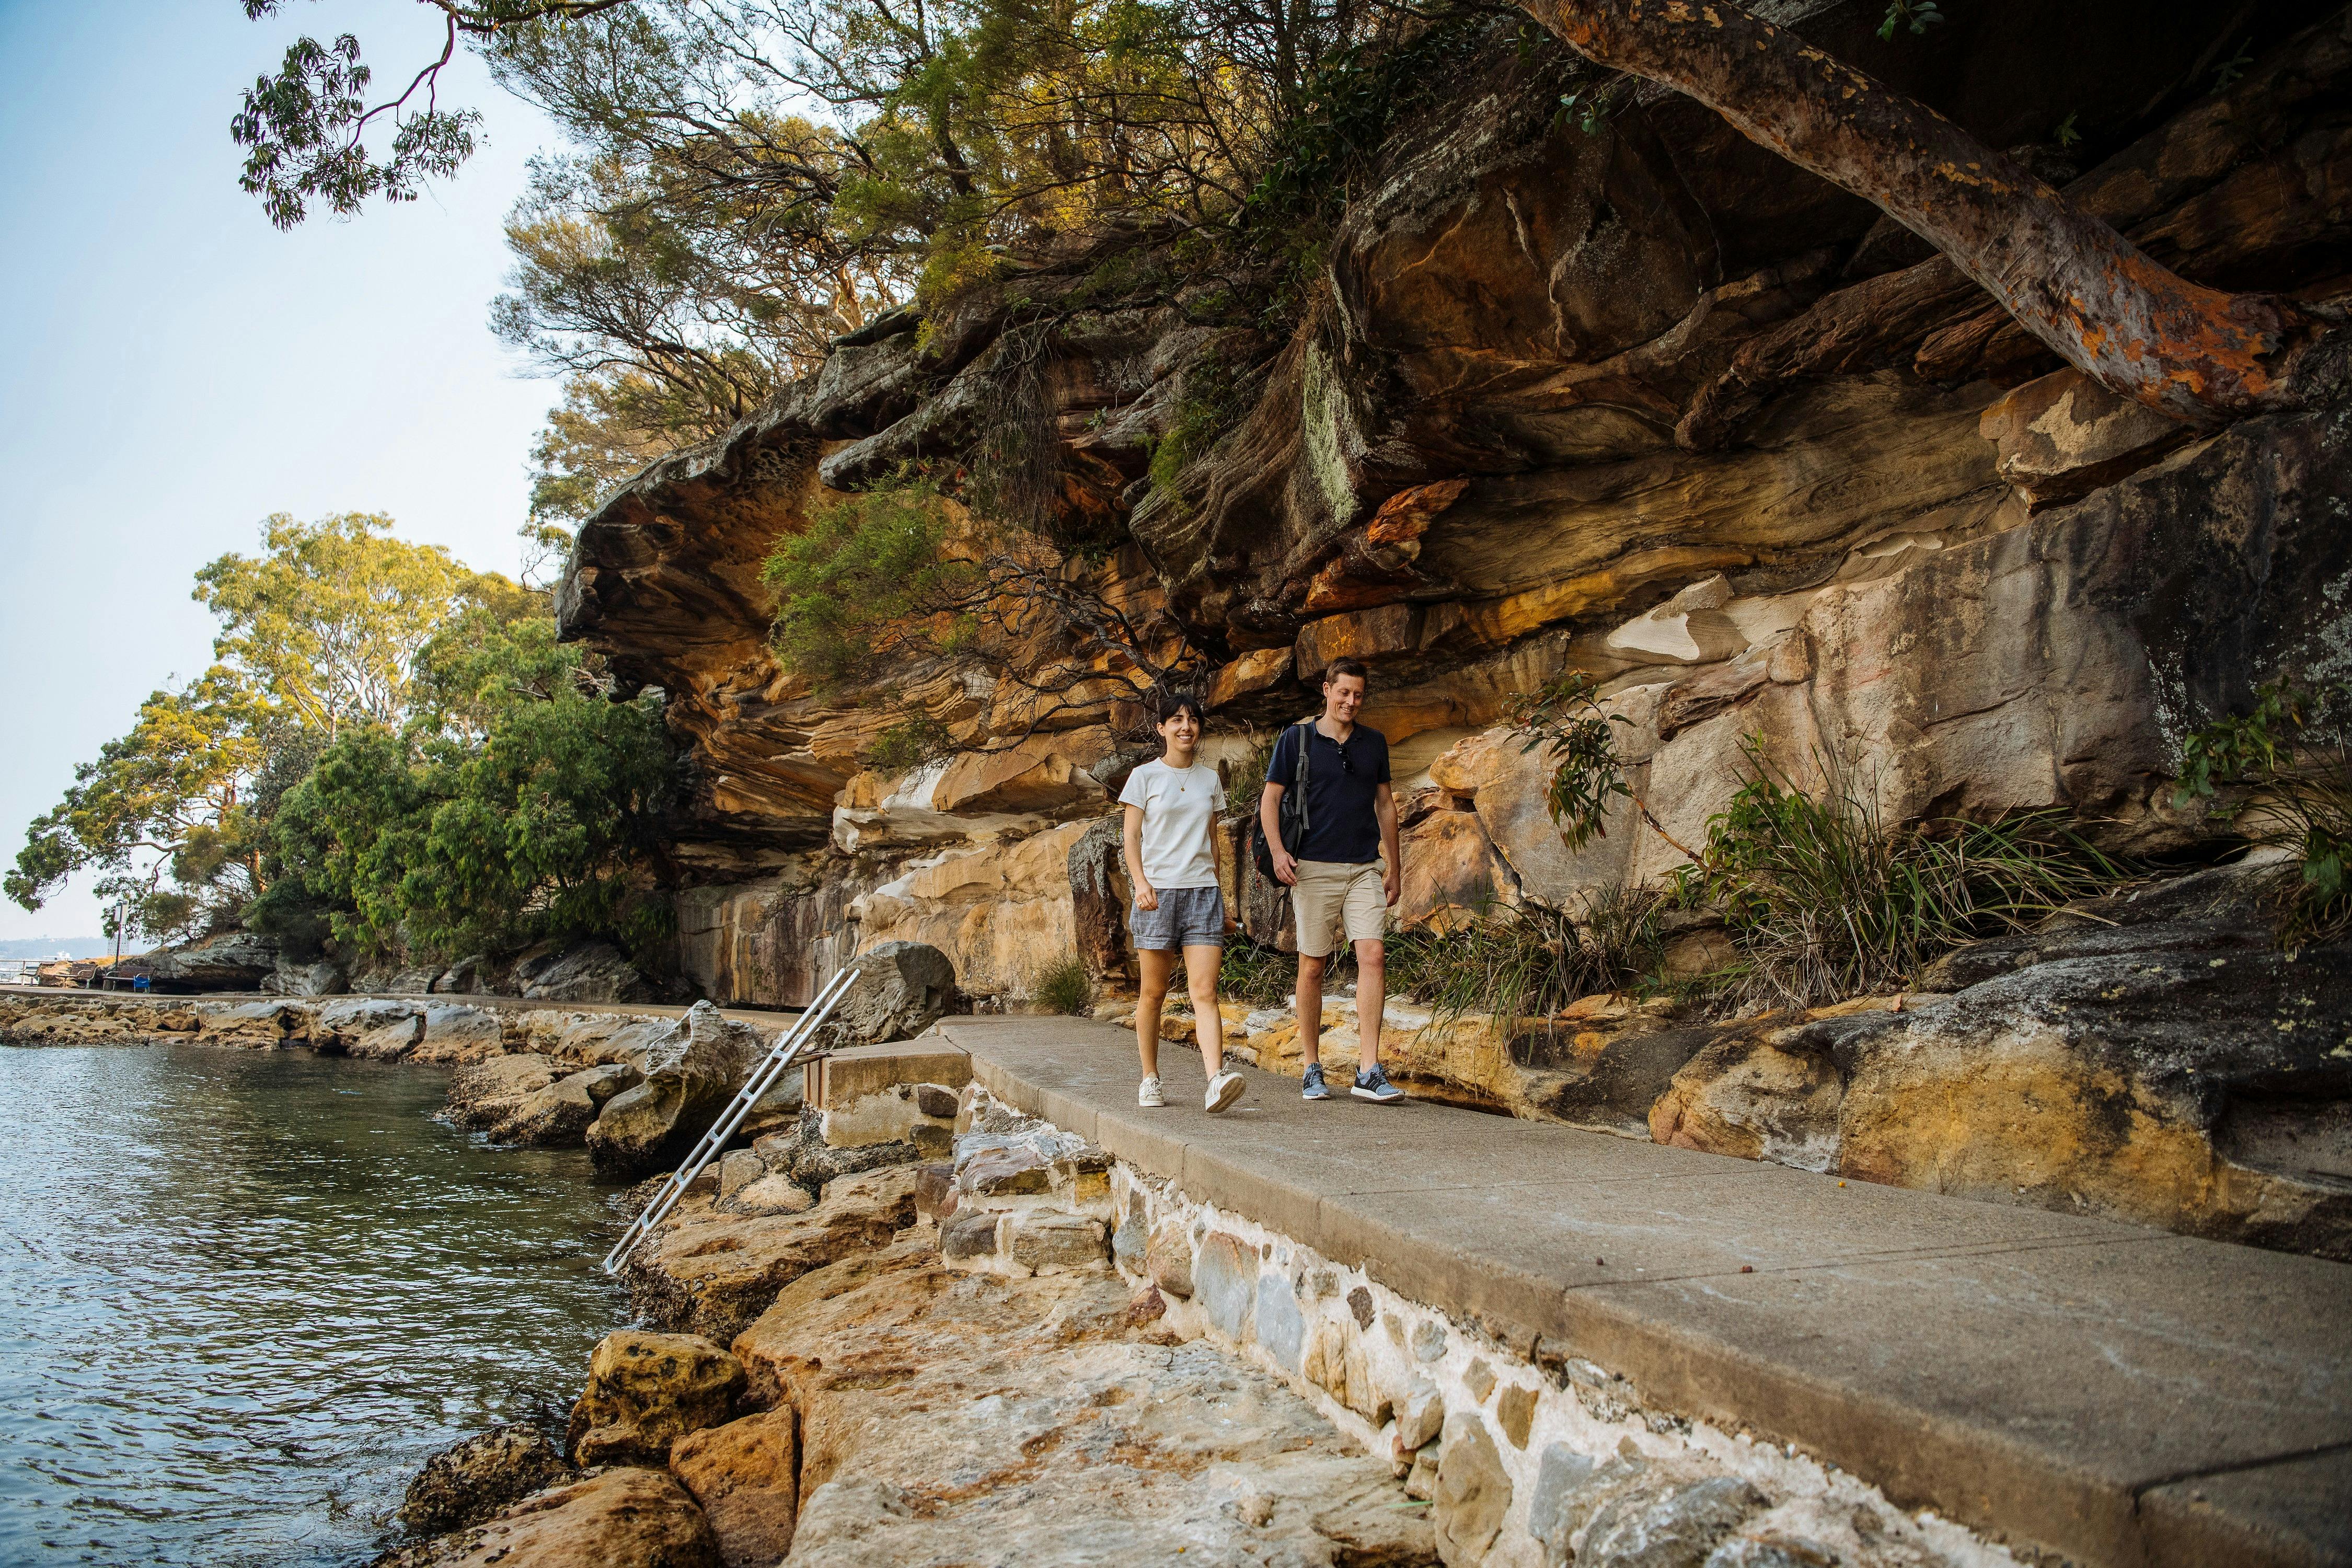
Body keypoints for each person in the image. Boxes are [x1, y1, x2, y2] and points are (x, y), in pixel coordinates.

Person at [1258, 657, 1404, 1103]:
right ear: (1326, 690)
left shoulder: (1373, 742)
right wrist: (1279, 852)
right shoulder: (1296, 739)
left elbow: (1385, 805)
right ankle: (1311, 1067)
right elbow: (1270, 800)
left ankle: (1368, 1070)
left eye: (1358, 694)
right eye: (1344, 692)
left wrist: (1395, 867)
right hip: (1313, 867)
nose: (1351, 701)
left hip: (1364, 867)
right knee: (1313, 966)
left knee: (1373, 955)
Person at [1119, 689, 1247, 1113]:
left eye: (1192, 719)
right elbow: (1131, 837)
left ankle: (1215, 1080)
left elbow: (1213, 842)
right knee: (1153, 993)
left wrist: (1221, 897)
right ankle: (1149, 1078)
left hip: (1203, 894)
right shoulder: (1144, 777)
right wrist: (1140, 883)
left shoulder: (1210, 780)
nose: (1185, 727)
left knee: (1205, 992)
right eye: (1176, 720)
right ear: (1162, 728)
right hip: (1157, 895)